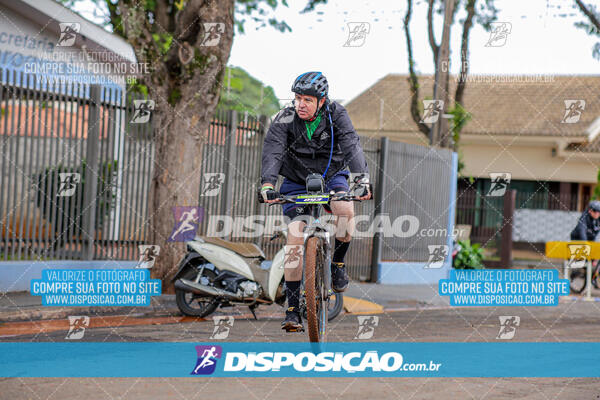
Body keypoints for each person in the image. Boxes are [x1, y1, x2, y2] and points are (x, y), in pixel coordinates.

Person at [260, 71, 371, 332]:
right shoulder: (285, 117)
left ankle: (339, 263)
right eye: (297, 98)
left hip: (332, 174)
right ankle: (292, 307)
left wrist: (361, 178)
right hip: (296, 180)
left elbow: (351, 144)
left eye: (307, 100)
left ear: (322, 101)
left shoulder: (337, 114)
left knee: (344, 210)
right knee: (295, 240)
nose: (300, 104)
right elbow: (273, 150)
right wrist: (268, 184)